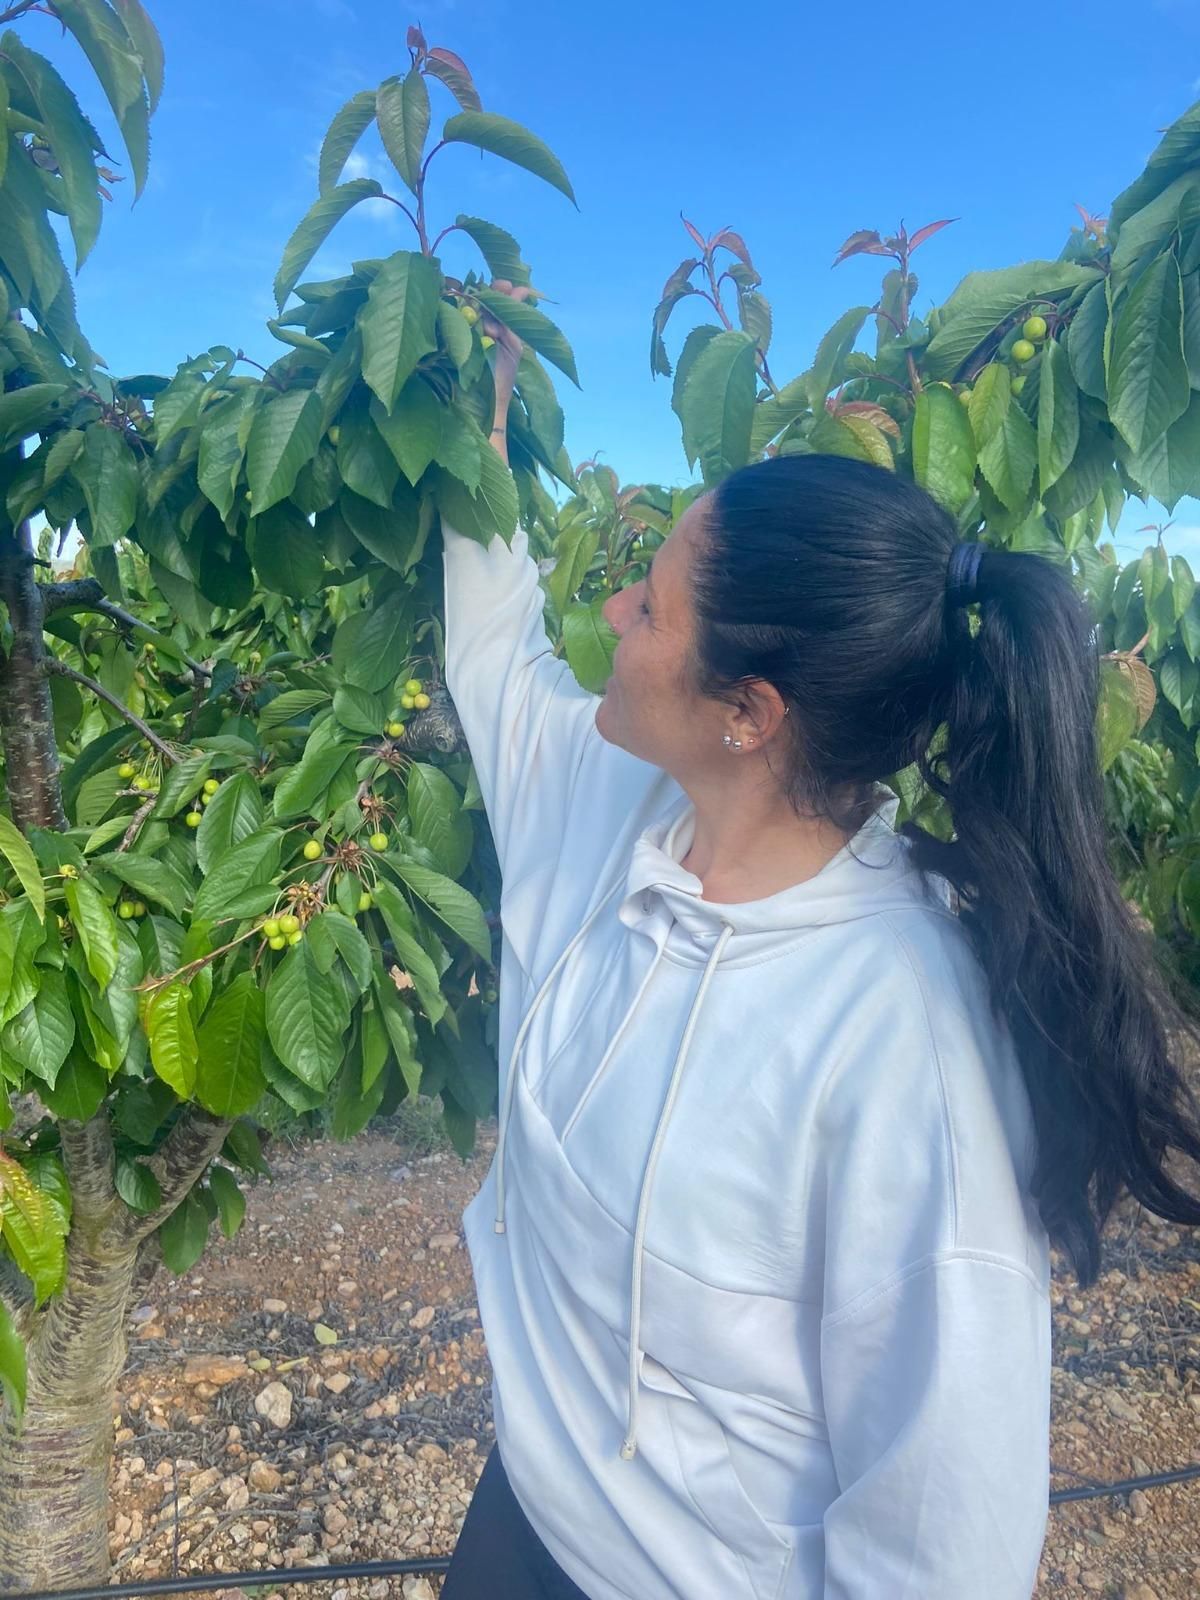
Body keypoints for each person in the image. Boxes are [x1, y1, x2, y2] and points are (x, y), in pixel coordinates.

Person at [436, 294, 1200, 1600]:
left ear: (749, 711)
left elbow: (938, 1559)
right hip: (518, 1518)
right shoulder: (614, 804)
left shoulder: (904, 1059)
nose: (615, 607)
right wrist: (479, 436)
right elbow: (499, 661)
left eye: (656, 609)